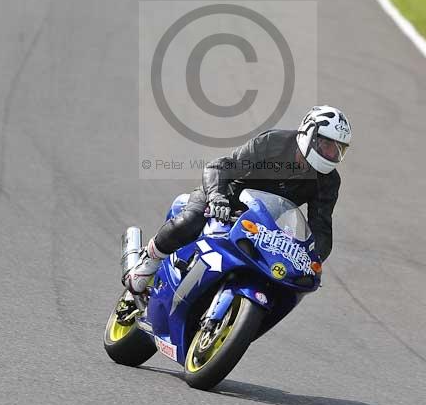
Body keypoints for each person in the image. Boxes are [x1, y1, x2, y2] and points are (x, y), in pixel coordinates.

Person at [124, 105, 351, 294]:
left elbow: (321, 228)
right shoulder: (274, 143)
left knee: (281, 278)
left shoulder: (329, 181)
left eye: (338, 150)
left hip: (264, 226)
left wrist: (313, 260)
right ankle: (148, 262)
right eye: (326, 144)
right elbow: (220, 167)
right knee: (192, 219)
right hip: (223, 198)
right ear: (309, 134)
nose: (331, 154)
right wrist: (216, 198)